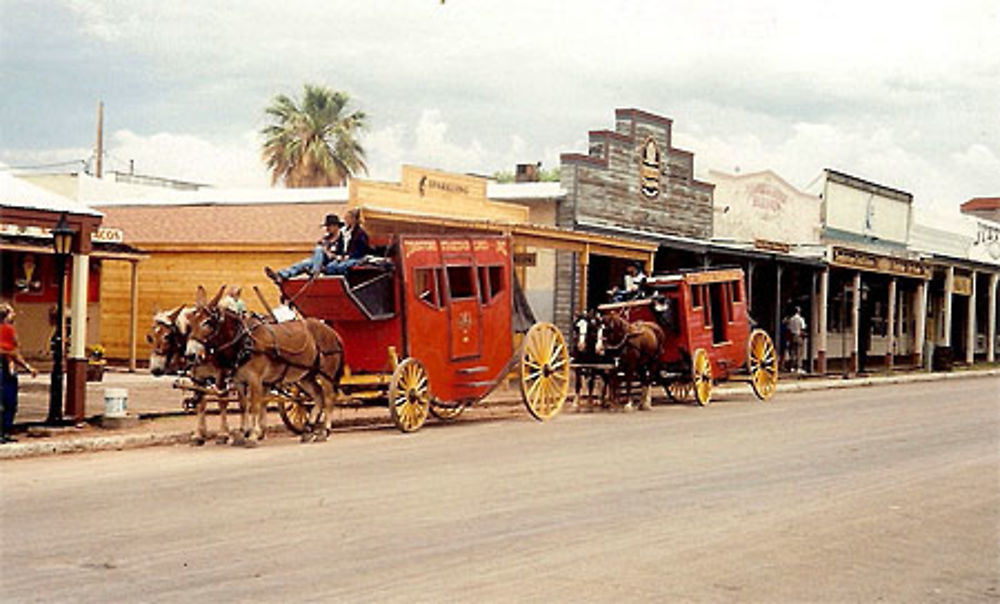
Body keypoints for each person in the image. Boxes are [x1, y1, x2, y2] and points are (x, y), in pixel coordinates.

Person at [266, 213, 344, 281]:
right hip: (320, 261)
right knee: (304, 263)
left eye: (329, 226)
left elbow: (341, 256)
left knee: (319, 250)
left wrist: (326, 251)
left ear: (336, 226)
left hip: (332, 262)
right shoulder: (326, 238)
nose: (327, 229)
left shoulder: (342, 239)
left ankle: (315, 272)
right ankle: (282, 275)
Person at [1, 303, 37, 443]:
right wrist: (27, 367)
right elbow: (14, 352)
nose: (15, 315)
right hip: (6, 369)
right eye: (12, 312)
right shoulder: (9, 331)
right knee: (9, 402)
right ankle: (4, 431)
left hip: (7, 367)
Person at [323, 208, 371, 276]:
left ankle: (346, 283)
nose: (346, 220)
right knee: (330, 266)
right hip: (344, 256)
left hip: (357, 258)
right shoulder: (345, 232)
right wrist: (339, 255)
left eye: (347, 218)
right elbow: (341, 246)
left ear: (353, 219)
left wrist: (349, 256)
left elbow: (361, 250)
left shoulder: (360, 233)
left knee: (341, 267)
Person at [784, 305, 807, 374]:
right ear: (799, 311)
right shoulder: (801, 319)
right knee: (799, 353)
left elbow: (788, 328)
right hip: (799, 335)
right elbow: (803, 328)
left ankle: (792, 367)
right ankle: (799, 367)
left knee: (792, 352)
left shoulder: (791, 319)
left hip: (792, 336)